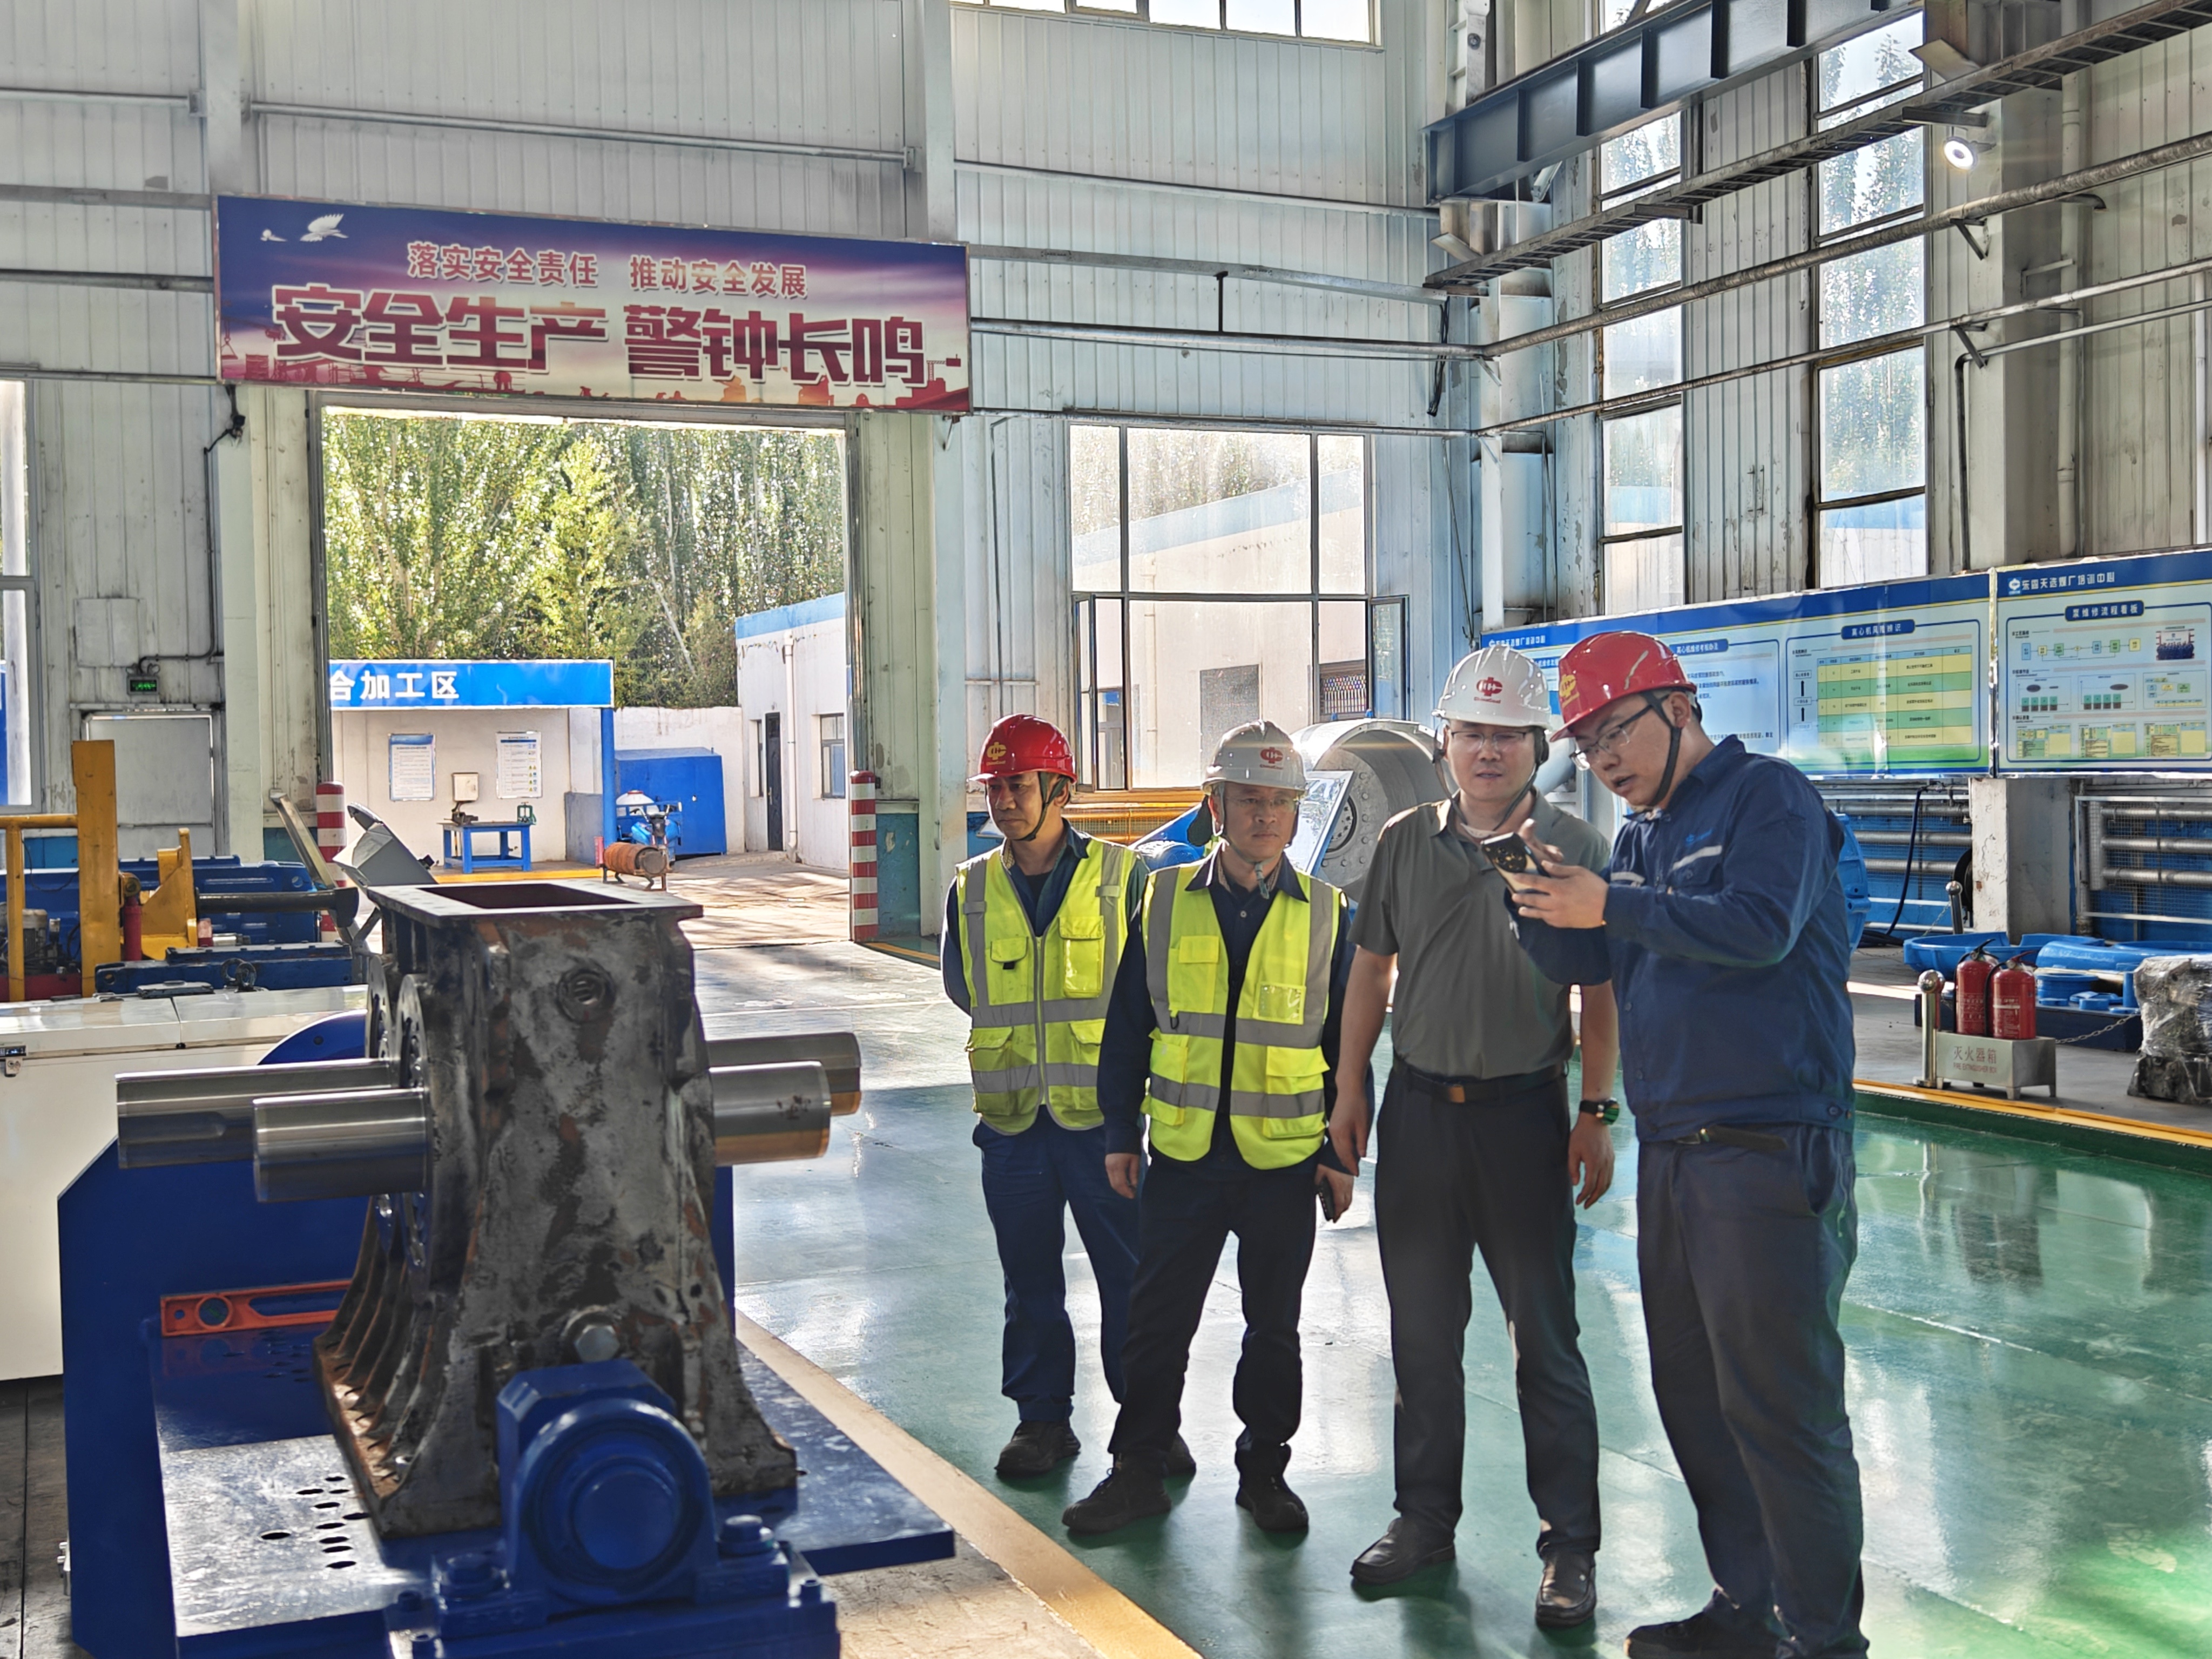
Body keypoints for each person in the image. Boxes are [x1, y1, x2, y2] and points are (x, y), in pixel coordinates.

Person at [1507, 631, 1866, 1659]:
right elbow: (1607, 959)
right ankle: (1747, 1608)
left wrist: (1610, 901)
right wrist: (1537, 904)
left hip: (1767, 1149)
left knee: (1783, 1410)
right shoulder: (1639, 839)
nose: (1604, 759)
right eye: (1587, 745)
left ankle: (1825, 1641)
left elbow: (1760, 926)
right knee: (1699, 1402)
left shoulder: (1770, 798)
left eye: (1616, 731)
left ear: (1679, 707)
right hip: (1675, 1154)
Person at [1328, 644, 1618, 1628]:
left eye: (1507, 735)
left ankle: (1570, 1547)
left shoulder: (1574, 845)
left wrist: (1596, 1112)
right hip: (1419, 1118)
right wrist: (1350, 1089)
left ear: (1537, 746)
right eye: (1471, 733)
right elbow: (1370, 973)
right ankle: (1423, 1523)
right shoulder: (1404, 843)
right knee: (1421, 1337)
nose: (1488, 751)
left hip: (1525, 1121)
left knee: (1546, 1340)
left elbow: (1600, 990)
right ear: (1443, 743)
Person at [1060, 720, 1359, 1538]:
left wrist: (1339, 1155)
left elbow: (1346, 1049)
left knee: (1275, 1331)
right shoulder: (1162, 900)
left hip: (1282, 1165)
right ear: (1216, 806)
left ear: (1297, 813)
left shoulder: (1329, 914)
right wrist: (1119, 1133)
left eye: (1280, 802)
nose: (1265, 816)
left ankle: (1266, 1472)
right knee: (1156, 1323)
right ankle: (1138, 1470)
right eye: (1249, 799)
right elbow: (1128, 1026)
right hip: (1184, 1157)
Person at [942, 714, 1155, 1481]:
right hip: (1012, 1124)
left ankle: (1147, 1424)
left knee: (1130, 1278)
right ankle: (1041, 1421)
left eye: (1019, 786)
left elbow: (1151, 994)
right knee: (1028, 1279)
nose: (1003, 801)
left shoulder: (1124, 879)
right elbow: (964, 988)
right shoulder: (971, 888)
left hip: (1103, 1124)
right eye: (995, 788)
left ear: (1060, 790)